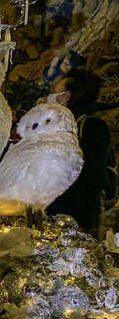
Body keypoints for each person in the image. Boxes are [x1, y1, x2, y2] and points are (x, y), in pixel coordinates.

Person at [45, 68, 115, 236]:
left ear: (67, 96)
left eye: (55, 91)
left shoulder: (92, 127)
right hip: (51, 212)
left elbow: (93, 176)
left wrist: (82, 221)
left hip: (74, 217)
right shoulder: (54, 125)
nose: (51, 95)